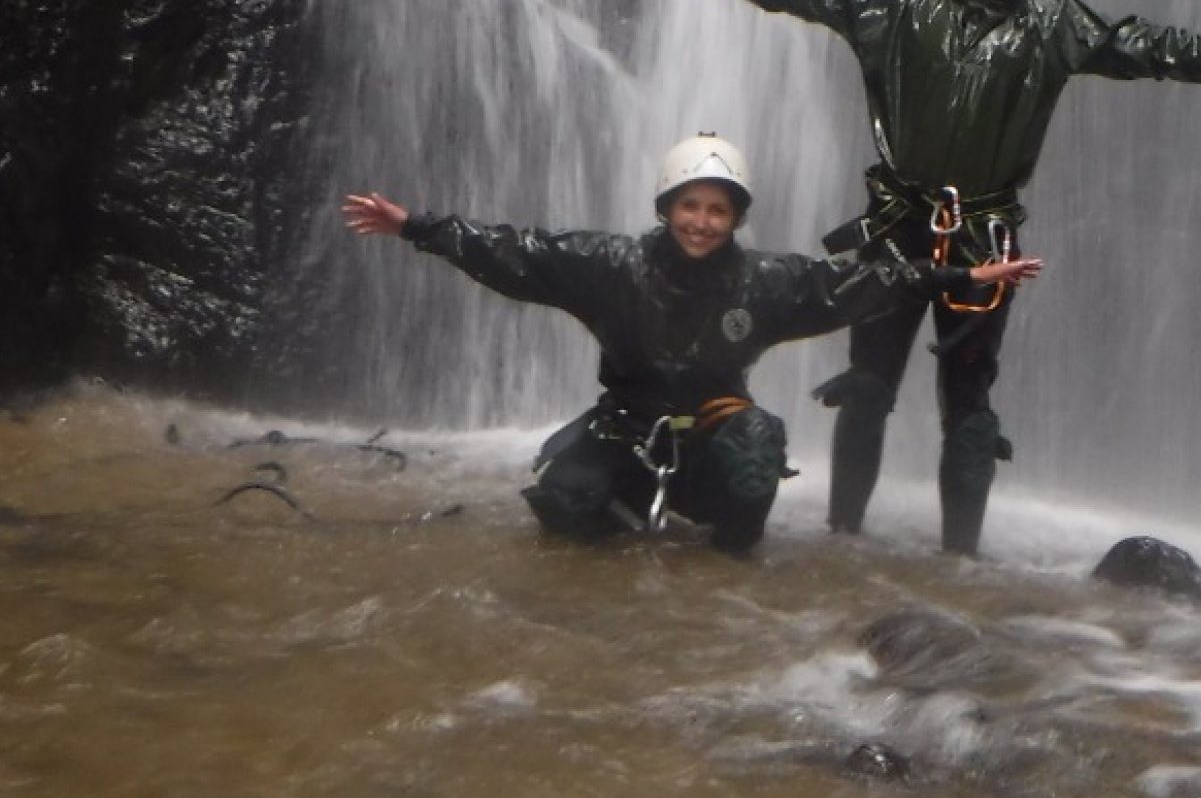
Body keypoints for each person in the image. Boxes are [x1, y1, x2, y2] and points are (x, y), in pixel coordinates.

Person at [632, 0, 1201, 554]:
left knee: (969, 409)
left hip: (986, 237)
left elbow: (1151, 46)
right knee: (868, 386)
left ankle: (959, 565)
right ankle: (842, 541)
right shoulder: (895, 5)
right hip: (896, 227)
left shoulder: (1053, 25)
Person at [342, 131, 1041, 553]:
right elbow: (516, 253)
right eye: (689, 206)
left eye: (717, 210)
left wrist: (959, 271)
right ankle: (619, 518)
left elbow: (860, 285)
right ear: (666, 209)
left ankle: (734, 555)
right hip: (624, 432)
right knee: (563, 506)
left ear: (735, 219)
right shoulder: (611, 267)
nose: (702, 223)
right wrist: (416, 227)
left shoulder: (766, 282)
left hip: (714, 440)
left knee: (757, 447)